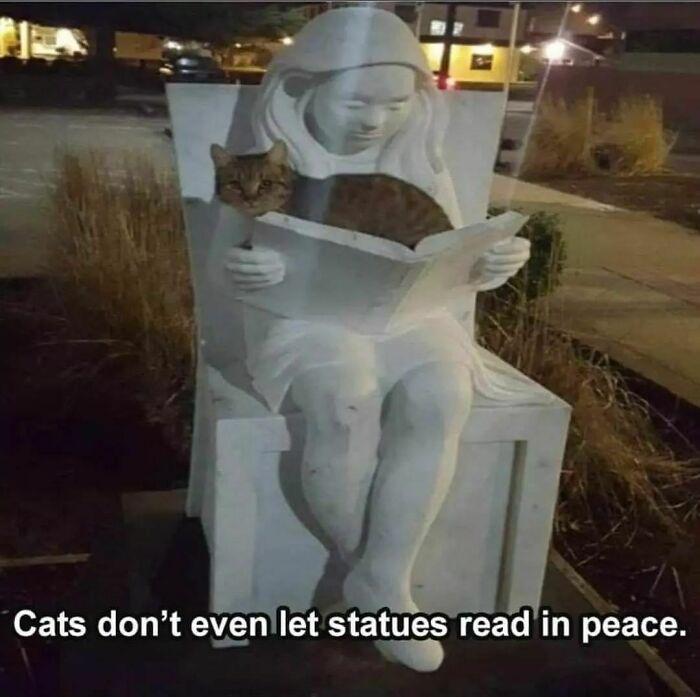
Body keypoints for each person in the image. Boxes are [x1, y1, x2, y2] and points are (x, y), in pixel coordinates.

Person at [219, 8, 533, 671]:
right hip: (303, 318)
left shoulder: (417, 160)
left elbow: (450, 251)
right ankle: (381, 584)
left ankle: (377, 582)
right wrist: (250, 269)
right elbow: (227, 258)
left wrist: (491, 262)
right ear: (303, 90)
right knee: (345, 397)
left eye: (395, 103)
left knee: (441, 395)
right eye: (357, 102)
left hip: (410, 316)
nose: (375, 119)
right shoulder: (268, 164)